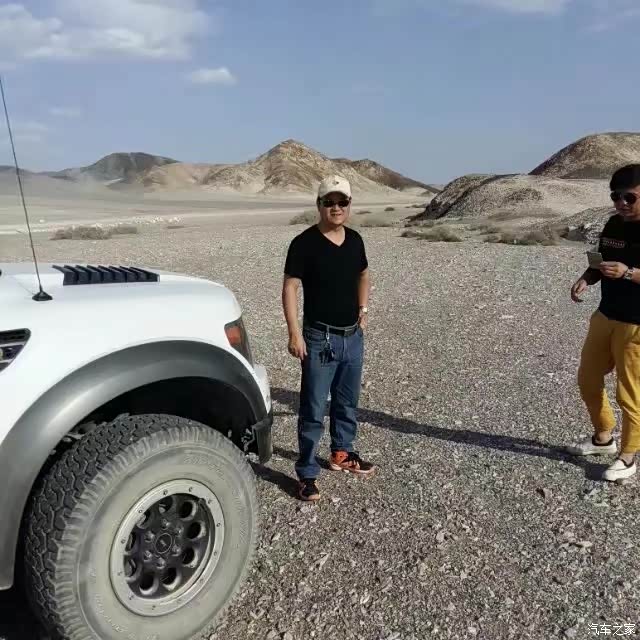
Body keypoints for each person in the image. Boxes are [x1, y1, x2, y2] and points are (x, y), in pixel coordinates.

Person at [282, 175, 375, 501]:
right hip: (319, 338)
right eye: (329, 202)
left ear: (349, 205)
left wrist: (363, 309)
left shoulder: (355, 240)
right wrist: (294, 332)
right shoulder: (304, 243)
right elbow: (290, 287)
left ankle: (342, 453)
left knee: (347, 402)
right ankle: (307, 472)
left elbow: (363, 274)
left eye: (342, 202)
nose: (336, 208)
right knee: (313, 406)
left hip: (352, 337)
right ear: (319, 205)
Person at [568, 164, 640, 481]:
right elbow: (600, 261)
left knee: (630, 393)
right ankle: (603, 438)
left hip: (636, 324)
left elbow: (624, 270)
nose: (621, 203)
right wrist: (587, 277)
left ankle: (628, 456)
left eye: (630, 197)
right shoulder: (613, 224)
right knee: (587, 378)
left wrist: (629, 273)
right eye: (615, 196)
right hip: (605, 314)